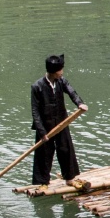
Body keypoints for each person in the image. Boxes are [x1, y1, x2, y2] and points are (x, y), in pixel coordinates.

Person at [30, 53, 89, 190]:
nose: (62, 72)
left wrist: (80, 104)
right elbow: (35, 112)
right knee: (44, 154)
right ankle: (44, 183)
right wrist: (42, 131)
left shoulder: (61, 81)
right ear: (53, 71)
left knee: (65, 150)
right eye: (60, 70)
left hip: (62, 123)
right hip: (45, 126)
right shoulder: (37, 86)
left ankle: (69, 178)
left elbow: (72, 92)